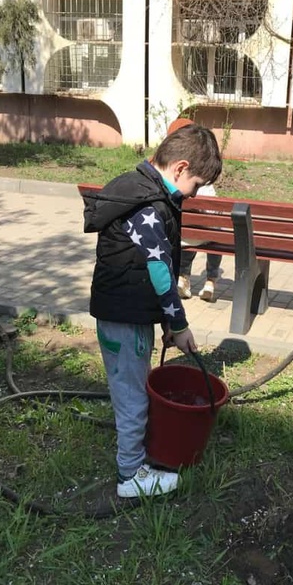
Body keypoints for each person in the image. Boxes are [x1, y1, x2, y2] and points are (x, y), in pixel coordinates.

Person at [83, 124, 223, 498]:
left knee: (130, 385)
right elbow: (160, 273)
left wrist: (161, 320)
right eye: (195, 185)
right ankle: (131, 475)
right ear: (179, 169)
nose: (192, 195)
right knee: (132, 394)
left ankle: (135, 455)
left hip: (120, 311)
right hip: (124, 317)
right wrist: (178, 324)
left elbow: (143, 267)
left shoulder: (137, 188)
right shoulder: (151, 205)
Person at [166, 118, 224, 302]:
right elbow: (215, 212)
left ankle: (183, 277)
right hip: (203, 235)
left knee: (188, 233)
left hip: (182, 235)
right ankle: (211, 281)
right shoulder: (201, 176)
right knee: (217, 232)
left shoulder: (170, 176)